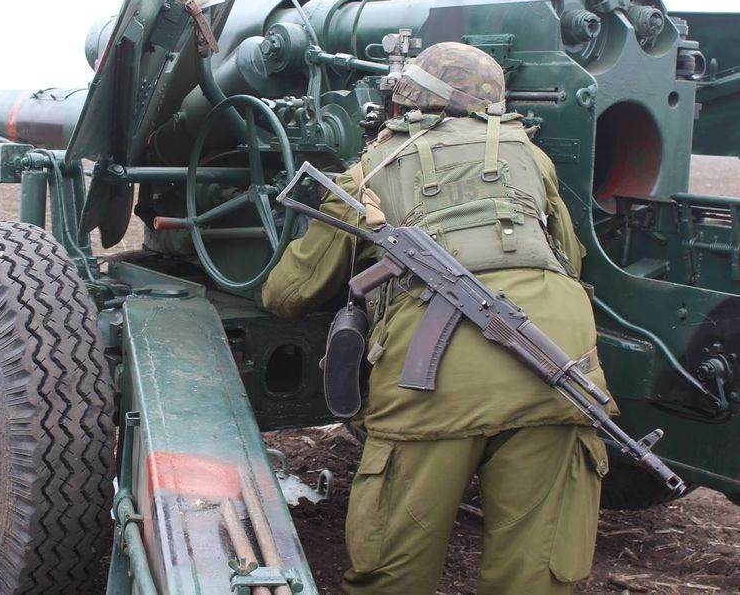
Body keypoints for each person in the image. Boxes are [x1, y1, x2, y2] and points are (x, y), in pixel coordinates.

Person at [262, 42, 616, 595]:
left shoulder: (373, 167)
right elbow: (568, 257)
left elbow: (289, 293)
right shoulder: (531, 156)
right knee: (535, 575)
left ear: (407, 101)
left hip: (431, 384)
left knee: (393, 572)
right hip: (560, 364)